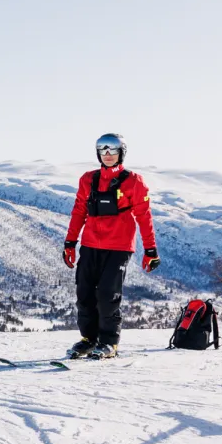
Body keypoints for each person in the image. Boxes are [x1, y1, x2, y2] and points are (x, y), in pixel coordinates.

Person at [62, 133, 159, 359]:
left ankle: (109, 343)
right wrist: (70, 243)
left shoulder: (134, 181)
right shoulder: (88, 179)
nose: (107, 154)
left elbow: (144, 216)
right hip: (90, 244)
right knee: (84, 293)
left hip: (119, 246)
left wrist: (150, 250)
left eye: (113, 149)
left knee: (108, 294)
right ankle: (89, 339)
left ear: (121, 153)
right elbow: (79, 211)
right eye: (103, 150)